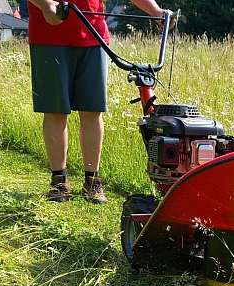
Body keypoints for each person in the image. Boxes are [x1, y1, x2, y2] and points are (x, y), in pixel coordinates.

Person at [26, 0, 167, 203]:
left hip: (94, 37)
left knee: (93, 111)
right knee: (55, 111)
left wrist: (155, 10)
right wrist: (46, 4)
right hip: (49, 37)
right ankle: (59, 182)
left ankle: (92, 182)